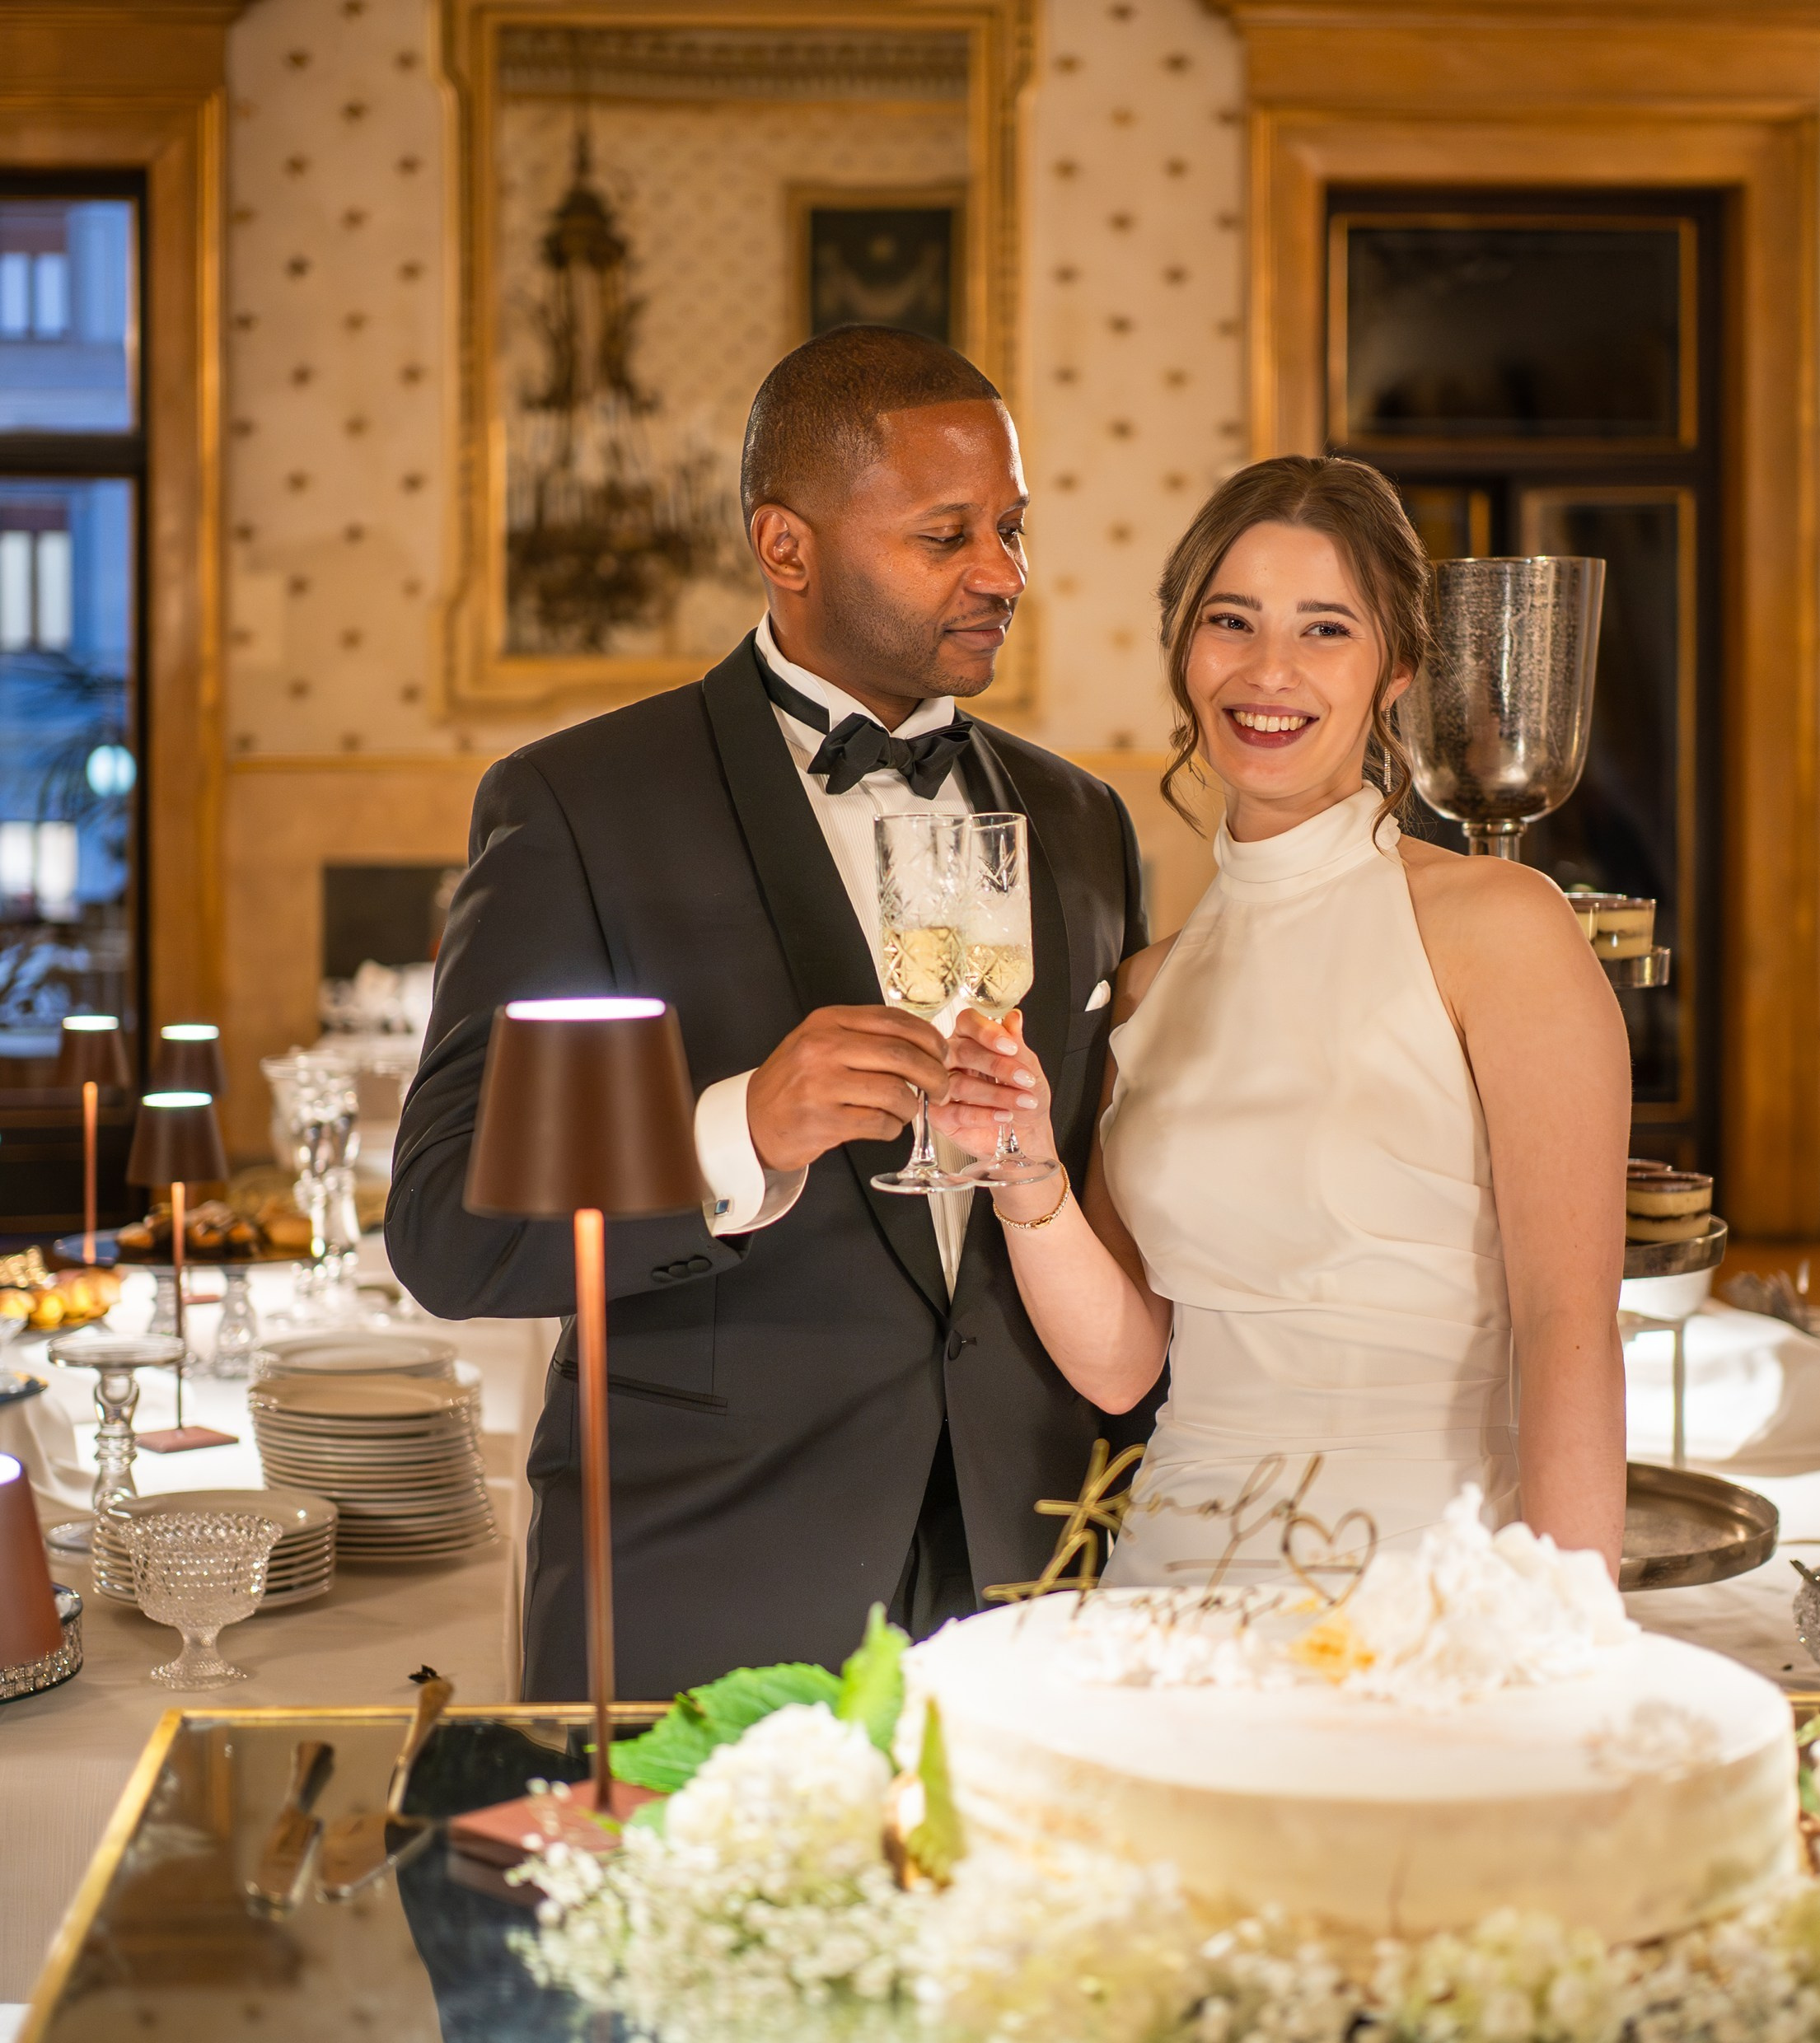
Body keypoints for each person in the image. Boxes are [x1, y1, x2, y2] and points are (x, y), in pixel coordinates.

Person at [385, 326, 1150, 1698]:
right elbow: (451, 1231)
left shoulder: (1082, 821)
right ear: (784, 547)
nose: (1002, 573)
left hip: (1035, 1584)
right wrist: (739, 1133)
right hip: (708, 1576)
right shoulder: (579, 809)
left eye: (1013, 529)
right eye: (946, 535)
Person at [936, 455, 1630, 1583]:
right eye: (1231, 621)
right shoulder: (1149, 988)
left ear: (1395, 668)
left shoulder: (1501, 928)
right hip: (1171, 1580)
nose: (1269, 671)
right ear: (1183, 648)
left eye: (1324, 630)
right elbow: (1121, 1366)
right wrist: (1024, 1178)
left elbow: (1569, 1330)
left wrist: (1566, 1631)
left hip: (1422, 1587)